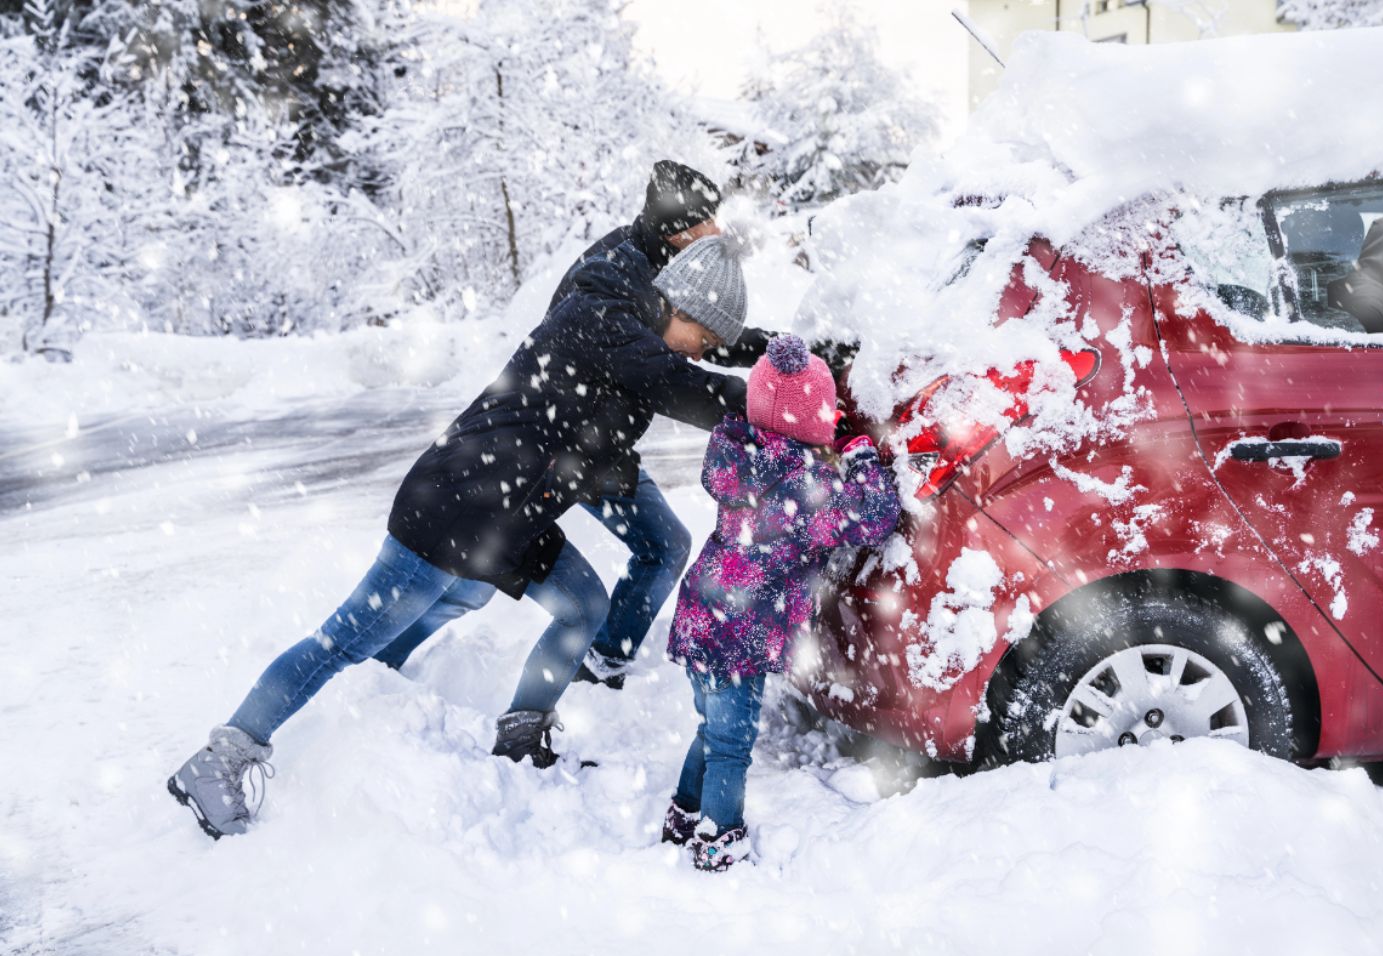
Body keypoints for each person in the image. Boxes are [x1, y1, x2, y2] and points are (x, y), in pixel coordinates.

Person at [167, 235, 750, 839]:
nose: (700, 355)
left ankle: (519, 735)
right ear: (680, 306)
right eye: (703, 341)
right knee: (344, 640)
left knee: (580, 605)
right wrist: (776, 405)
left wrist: (771, 364)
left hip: (508, 519)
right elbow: (686, 388)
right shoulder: (607, 324)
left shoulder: (638, 338)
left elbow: (659, 387)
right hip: (450, 511)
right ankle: (220, 759)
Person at [659, 335, 901, 872]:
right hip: (737, 635)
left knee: (711, 730)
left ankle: (683, 815)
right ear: (811, 419)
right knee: (731, 745)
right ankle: (719, 839)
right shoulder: (805, 490)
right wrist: (860, 454)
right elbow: (875, 512)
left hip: (703, 616)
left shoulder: (740, 459)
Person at [536, 160, 776, 691]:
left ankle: (603, 662)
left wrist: (773, 352)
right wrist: (762, 402)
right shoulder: (619, 272)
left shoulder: (663, 264)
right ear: (679, 229)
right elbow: (663, 375)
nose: (717, 230)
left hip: (601, 440)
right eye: (707, 220)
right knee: (452, 569)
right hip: (573, 440)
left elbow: (707, 332)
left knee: (664, 546)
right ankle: (599, 668)